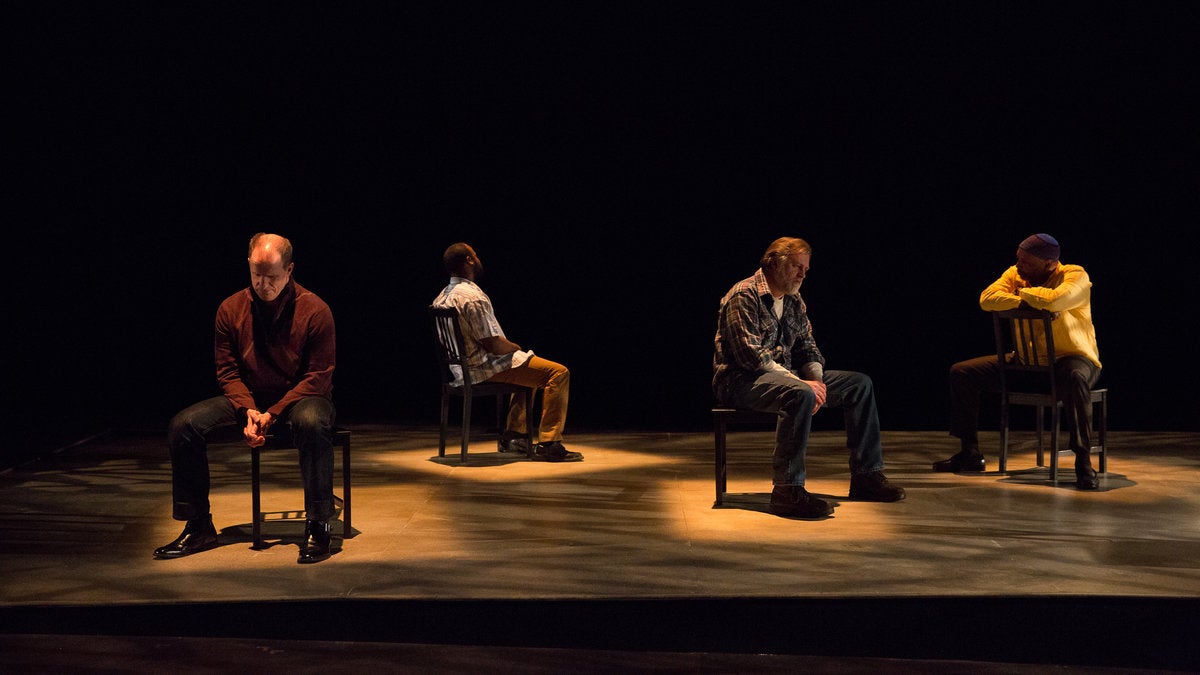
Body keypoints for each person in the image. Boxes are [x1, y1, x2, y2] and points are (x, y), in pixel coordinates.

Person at [154, 233, 339, 563]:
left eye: (272, 276)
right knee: (183, 425)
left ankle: (318, 523)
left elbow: (318, 376)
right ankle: (198, 525)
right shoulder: (230, 309)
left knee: (313, 421)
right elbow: (227, 372)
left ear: (290, 269)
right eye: (257, 275)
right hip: (249, 399)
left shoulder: (315, 310)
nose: (263, 284)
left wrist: (276, 412)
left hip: (302, 397)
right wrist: (249, 409)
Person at [712, 236, 905, 518]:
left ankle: (866, 477)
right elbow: (750, 357)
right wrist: (803, 384)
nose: (803, 274)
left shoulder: (793, 299)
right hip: (740, 381)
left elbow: (807, 346)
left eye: (805, 268)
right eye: (796, 266)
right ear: (774, 264)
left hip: (784, 378)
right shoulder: (744, 295)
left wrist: (819, 382)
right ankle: (787, 490)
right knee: (799, 393)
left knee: (858, 384)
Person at [936, 233, 1102, 490]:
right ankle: (970, 453)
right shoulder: (1016, 274)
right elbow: (987, 299)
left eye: (1027, 262)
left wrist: (1026, 296)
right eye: (1018, 258)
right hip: (1028, 364)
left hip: (1071, 359)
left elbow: (1057, 299)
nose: (1018, 265)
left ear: (1049, 264)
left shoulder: (1075, 275)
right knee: (962, 373)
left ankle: (1083, 462)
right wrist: (1027, 298)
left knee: (1076, 377)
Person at [432, 242, 581, 462]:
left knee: (525, 369)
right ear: (469, 260)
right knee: (558, 373)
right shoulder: (472, 297)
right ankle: (549, 443)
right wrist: (515, 348)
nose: (478, 258)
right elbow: (494, 345)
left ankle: (514, 436)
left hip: (460, 369)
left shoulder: (441, 296)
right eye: (475, 254)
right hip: (481, 367)